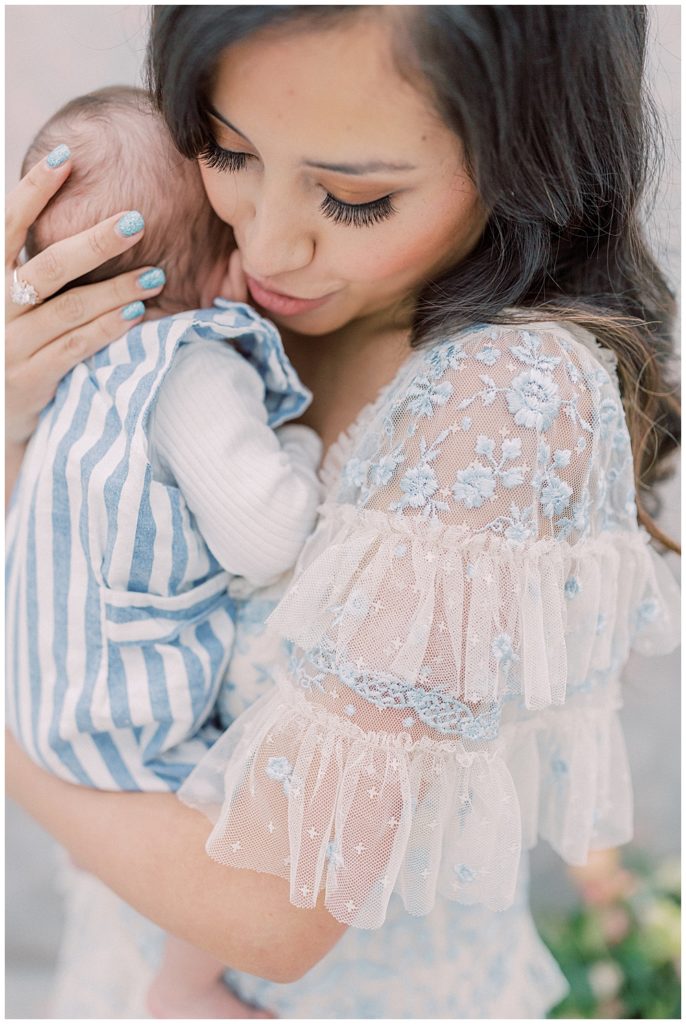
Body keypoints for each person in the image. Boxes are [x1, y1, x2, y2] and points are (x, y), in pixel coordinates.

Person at [5, 6, 681, 1019]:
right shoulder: (192, 300)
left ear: (524, 156)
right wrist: (22, 421)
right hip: (125, 958)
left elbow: (278, 909)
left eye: (353, 195)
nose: (266, 243)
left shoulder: (499, 400)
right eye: (225, 150)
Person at [8, 84, 324, 1018]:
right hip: (123, 714)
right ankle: (184, 988)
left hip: (46, 686)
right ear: (224, 264)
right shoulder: (191, 367)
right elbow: (267, 535)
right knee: (232, 819)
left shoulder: (69, 368)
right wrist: (301, 454)